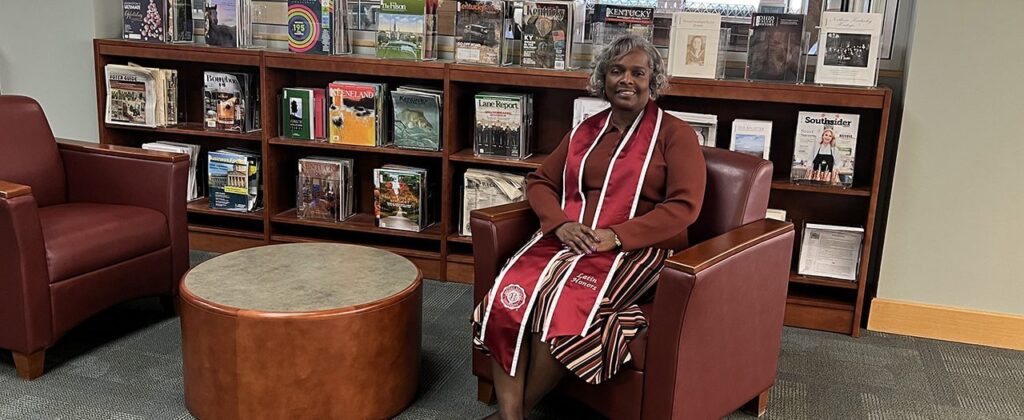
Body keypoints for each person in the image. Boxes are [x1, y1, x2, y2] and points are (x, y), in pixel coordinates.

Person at [471, 34, 707, 420]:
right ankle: (511, 418)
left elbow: (684, 207)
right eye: (616, 71)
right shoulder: (586, 131)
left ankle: (513, 412)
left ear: (654, 81)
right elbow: (540, 181)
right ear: (603, 78)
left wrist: (617, 236)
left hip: (638, 248)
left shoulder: (675, 135)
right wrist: (559, 223)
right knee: (510, 296)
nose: (626, 80)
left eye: (638, 72)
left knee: (560, 305)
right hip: (573, 239)